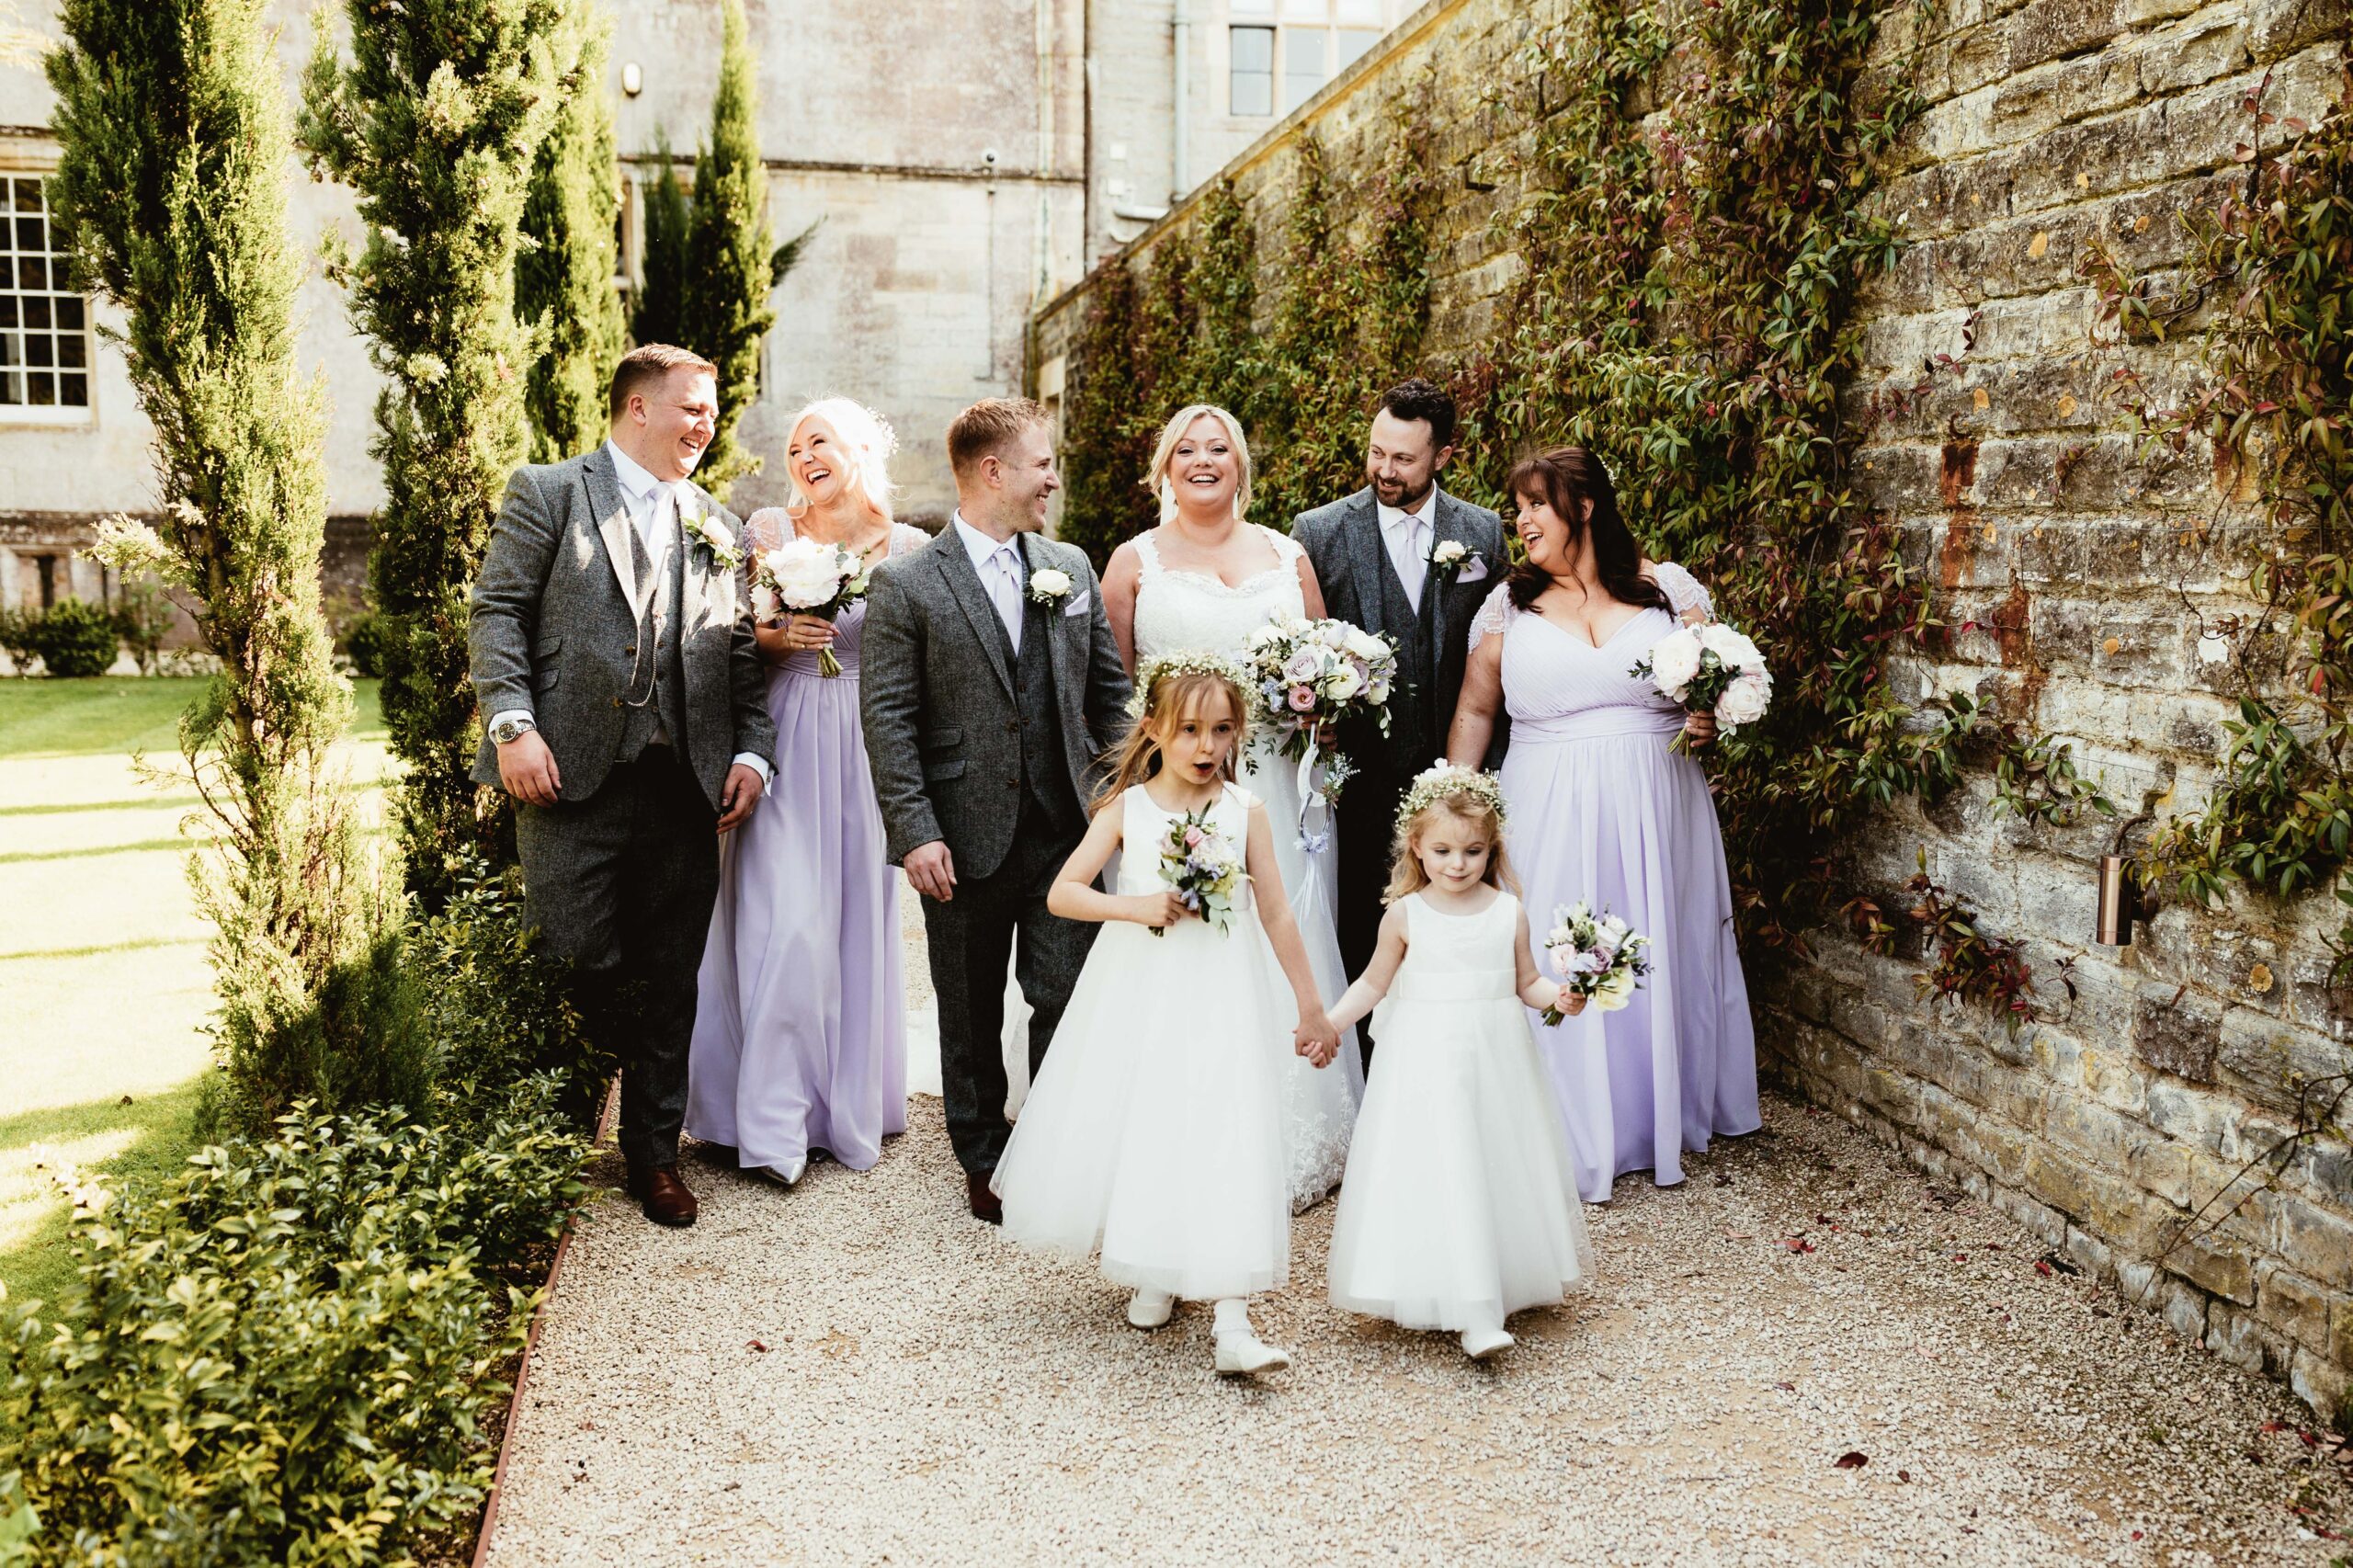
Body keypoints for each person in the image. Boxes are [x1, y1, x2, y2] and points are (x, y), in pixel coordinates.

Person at [469, 344, 776, 1229]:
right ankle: (552, 1156)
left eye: (711, 414)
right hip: (569, 780)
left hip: (686, 788)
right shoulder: (549, 491)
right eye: (691, 409)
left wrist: (753, 754)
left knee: (667, 979)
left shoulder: (718, 521)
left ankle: (653, 1155)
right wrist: (513, 726)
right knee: (569, 968)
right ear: (637, 408)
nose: (705, 425)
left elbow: (737, 658)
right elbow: (496, 614)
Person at [991, 655, 1342, 1379]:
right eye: (1188, 730)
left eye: (1221, 730)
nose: (1206, 747)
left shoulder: (1244, 812)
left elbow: (1274, 908)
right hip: (1144, 992)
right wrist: (1135, 905)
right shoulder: (1128, 811)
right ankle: (1154, 1265)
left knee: (1224, 1124)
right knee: (1153, 1120)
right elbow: (1064, 893)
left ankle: (1233, 1319)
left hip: (1223, 991)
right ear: (1152, 729)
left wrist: (1311, 1003)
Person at [1447, 447, 1759, 1203]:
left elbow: (1715, 687)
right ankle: (1561, 1123)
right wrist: (1452, 804)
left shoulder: (1666, 592)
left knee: (1660, 941)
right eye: (1515, 506)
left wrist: (1709, 719)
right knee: (1558, 951)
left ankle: (1654, 1111)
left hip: (1659, 804)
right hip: (1546, 803)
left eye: (1535, 505)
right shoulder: (1507, 607)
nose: (1519, 520)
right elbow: (1476, 710)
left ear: (1583, 508)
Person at [859, 398, 1131, 1223]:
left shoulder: (1070, 568)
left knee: (1062, 993)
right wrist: (915, 833)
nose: (1052, 477)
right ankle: (981, 1156)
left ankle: (1050, 1147)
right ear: (993, 471)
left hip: (1062, 831)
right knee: (969, 1007)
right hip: (960, 835)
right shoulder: (907, 583)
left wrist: (1130, 799)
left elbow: (1110, 695)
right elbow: (889, 718)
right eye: (1041, 463)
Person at [1098, 403, 1360, 1211]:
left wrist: (1320, 702)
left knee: (1281, 921)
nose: (1203, 460)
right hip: (1174, 787)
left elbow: (1322, 658)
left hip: (1276, 782)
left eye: (1219, 448)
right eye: (1187, 449)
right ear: (1165, 468)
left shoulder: (1288, 554)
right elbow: (1114, 692)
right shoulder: (1133, 561)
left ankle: (1286, 1119)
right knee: (1185, 939)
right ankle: (1175, 1128)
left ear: (1241, 465)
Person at [687, 399, 928, 1185]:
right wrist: (778, 636)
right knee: (781, 921)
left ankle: (839, 1105)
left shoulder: (911, 547)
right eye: (794, 449)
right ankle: (768, 1120)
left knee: (850, 920)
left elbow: (922, 666)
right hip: (782, 736)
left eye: (817, 441)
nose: (803, 458)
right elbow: (734, 636)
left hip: (865, 751)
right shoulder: (769, 532)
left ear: (859, 447)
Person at [1322, 763, 1594, 1359]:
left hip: (1495, 1065)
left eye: (1472, 850)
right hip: (1425, 1063)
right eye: (1442, 849)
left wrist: (1563, 997)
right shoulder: (1405, 916)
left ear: (1490, 846)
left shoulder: (1508, 912)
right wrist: (1330, 1024)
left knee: (1489, 1162)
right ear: (1416, 846)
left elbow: (1528, 983)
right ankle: (1458, 1300)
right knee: (1437, 1166)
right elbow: (1371, 985)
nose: (1458, 863)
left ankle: (1487, 1296)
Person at [1291, 380, 1506, 1072]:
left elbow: (1499, 647)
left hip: (1455, 771)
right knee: (1359, 922)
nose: (1385, 470)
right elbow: (1303, 649)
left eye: (1405, 459)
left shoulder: (1481, 533)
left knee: (1452, 927)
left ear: (1445, 455)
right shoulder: (1319, 531)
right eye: (1377, 452)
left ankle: (1441, 1070)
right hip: (1356, 775)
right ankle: (1362, 1080)